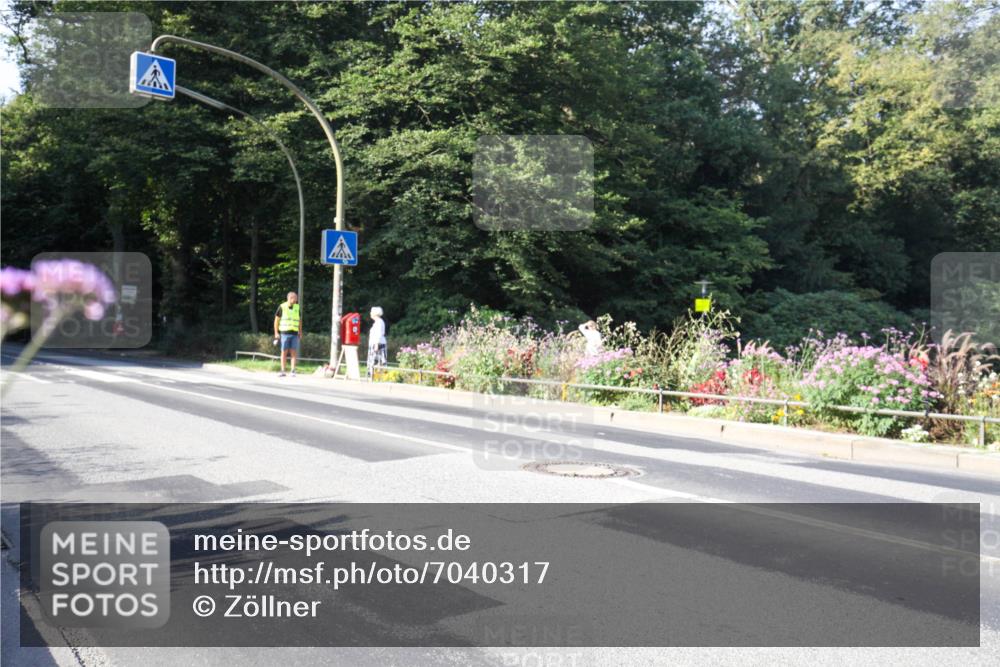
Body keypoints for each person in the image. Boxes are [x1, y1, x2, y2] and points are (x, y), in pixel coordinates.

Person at [273, 291, 301, 377]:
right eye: (295, 298)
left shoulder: (297, 307)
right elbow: (276, 321)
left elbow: (300, 321)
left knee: (293, 352)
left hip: (294, 333)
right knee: (284, 352)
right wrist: (276, 333)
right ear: (290, 298)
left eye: (296, 298)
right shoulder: (282, 307)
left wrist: (300, 332)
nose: (296, 300)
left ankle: (293, 371)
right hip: (284, 333)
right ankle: (283, 371)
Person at [366, 306, 388, 378]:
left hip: (378, 344)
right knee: (375, 360)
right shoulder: (378, 322)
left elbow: (379, 334)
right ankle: (373, 375)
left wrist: (376, 344)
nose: (370, 313)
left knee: (378, 360)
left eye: (371, 312)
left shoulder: (379, 322)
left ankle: (376, 375)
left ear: (374, 314)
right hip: (376, 343)